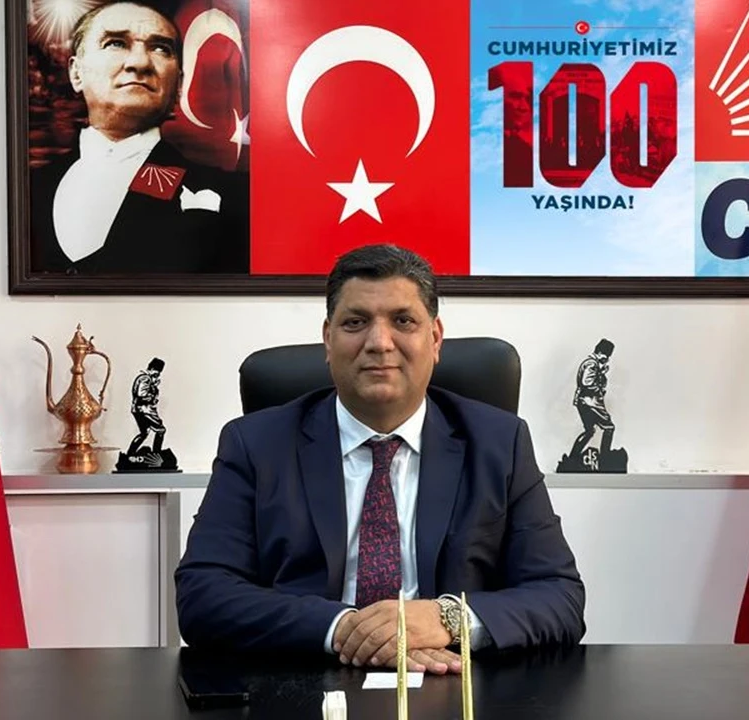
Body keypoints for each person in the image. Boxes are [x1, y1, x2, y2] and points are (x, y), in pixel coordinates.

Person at [175, 244, 585, 674]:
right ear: (328, 339)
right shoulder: (256, 444)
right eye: (355, 322)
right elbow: (203, 593)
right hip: (304, 677)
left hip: (451, 680)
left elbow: (560, 596)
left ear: (435, 338)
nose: (379, 343)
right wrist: (344, 629)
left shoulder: (499, 442)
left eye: (403, 321)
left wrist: (446, 618)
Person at [29, 1, 248, 275]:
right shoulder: (30, 188)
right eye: (115, 43)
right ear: (76, 73)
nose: (140, 63)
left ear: (179, 84)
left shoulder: (233, 196)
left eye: (161, 49)